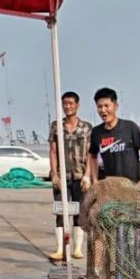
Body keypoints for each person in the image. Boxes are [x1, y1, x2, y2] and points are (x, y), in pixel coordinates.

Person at [48, 91, 92, 261]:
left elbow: (90, 153)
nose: (67, 106)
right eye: (65, 103)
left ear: (77, 105)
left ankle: (77, 249)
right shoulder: (55, 126)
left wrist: (88, 175)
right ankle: (60, 249)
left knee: (80, 212)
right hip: (62, 175)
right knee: (60, 211)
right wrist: (54, 174)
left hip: (80, 176)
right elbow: (52, 151)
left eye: (71, 103)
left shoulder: (87, 127)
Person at [88, 88, 140, 184]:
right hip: (111, 189)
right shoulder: (96, 132)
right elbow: (93, 156)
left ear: (116, 106)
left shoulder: (130, 127)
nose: (103, 110)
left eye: (106, 106)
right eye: (99, 106)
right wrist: (95, 180)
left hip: (132, 187)